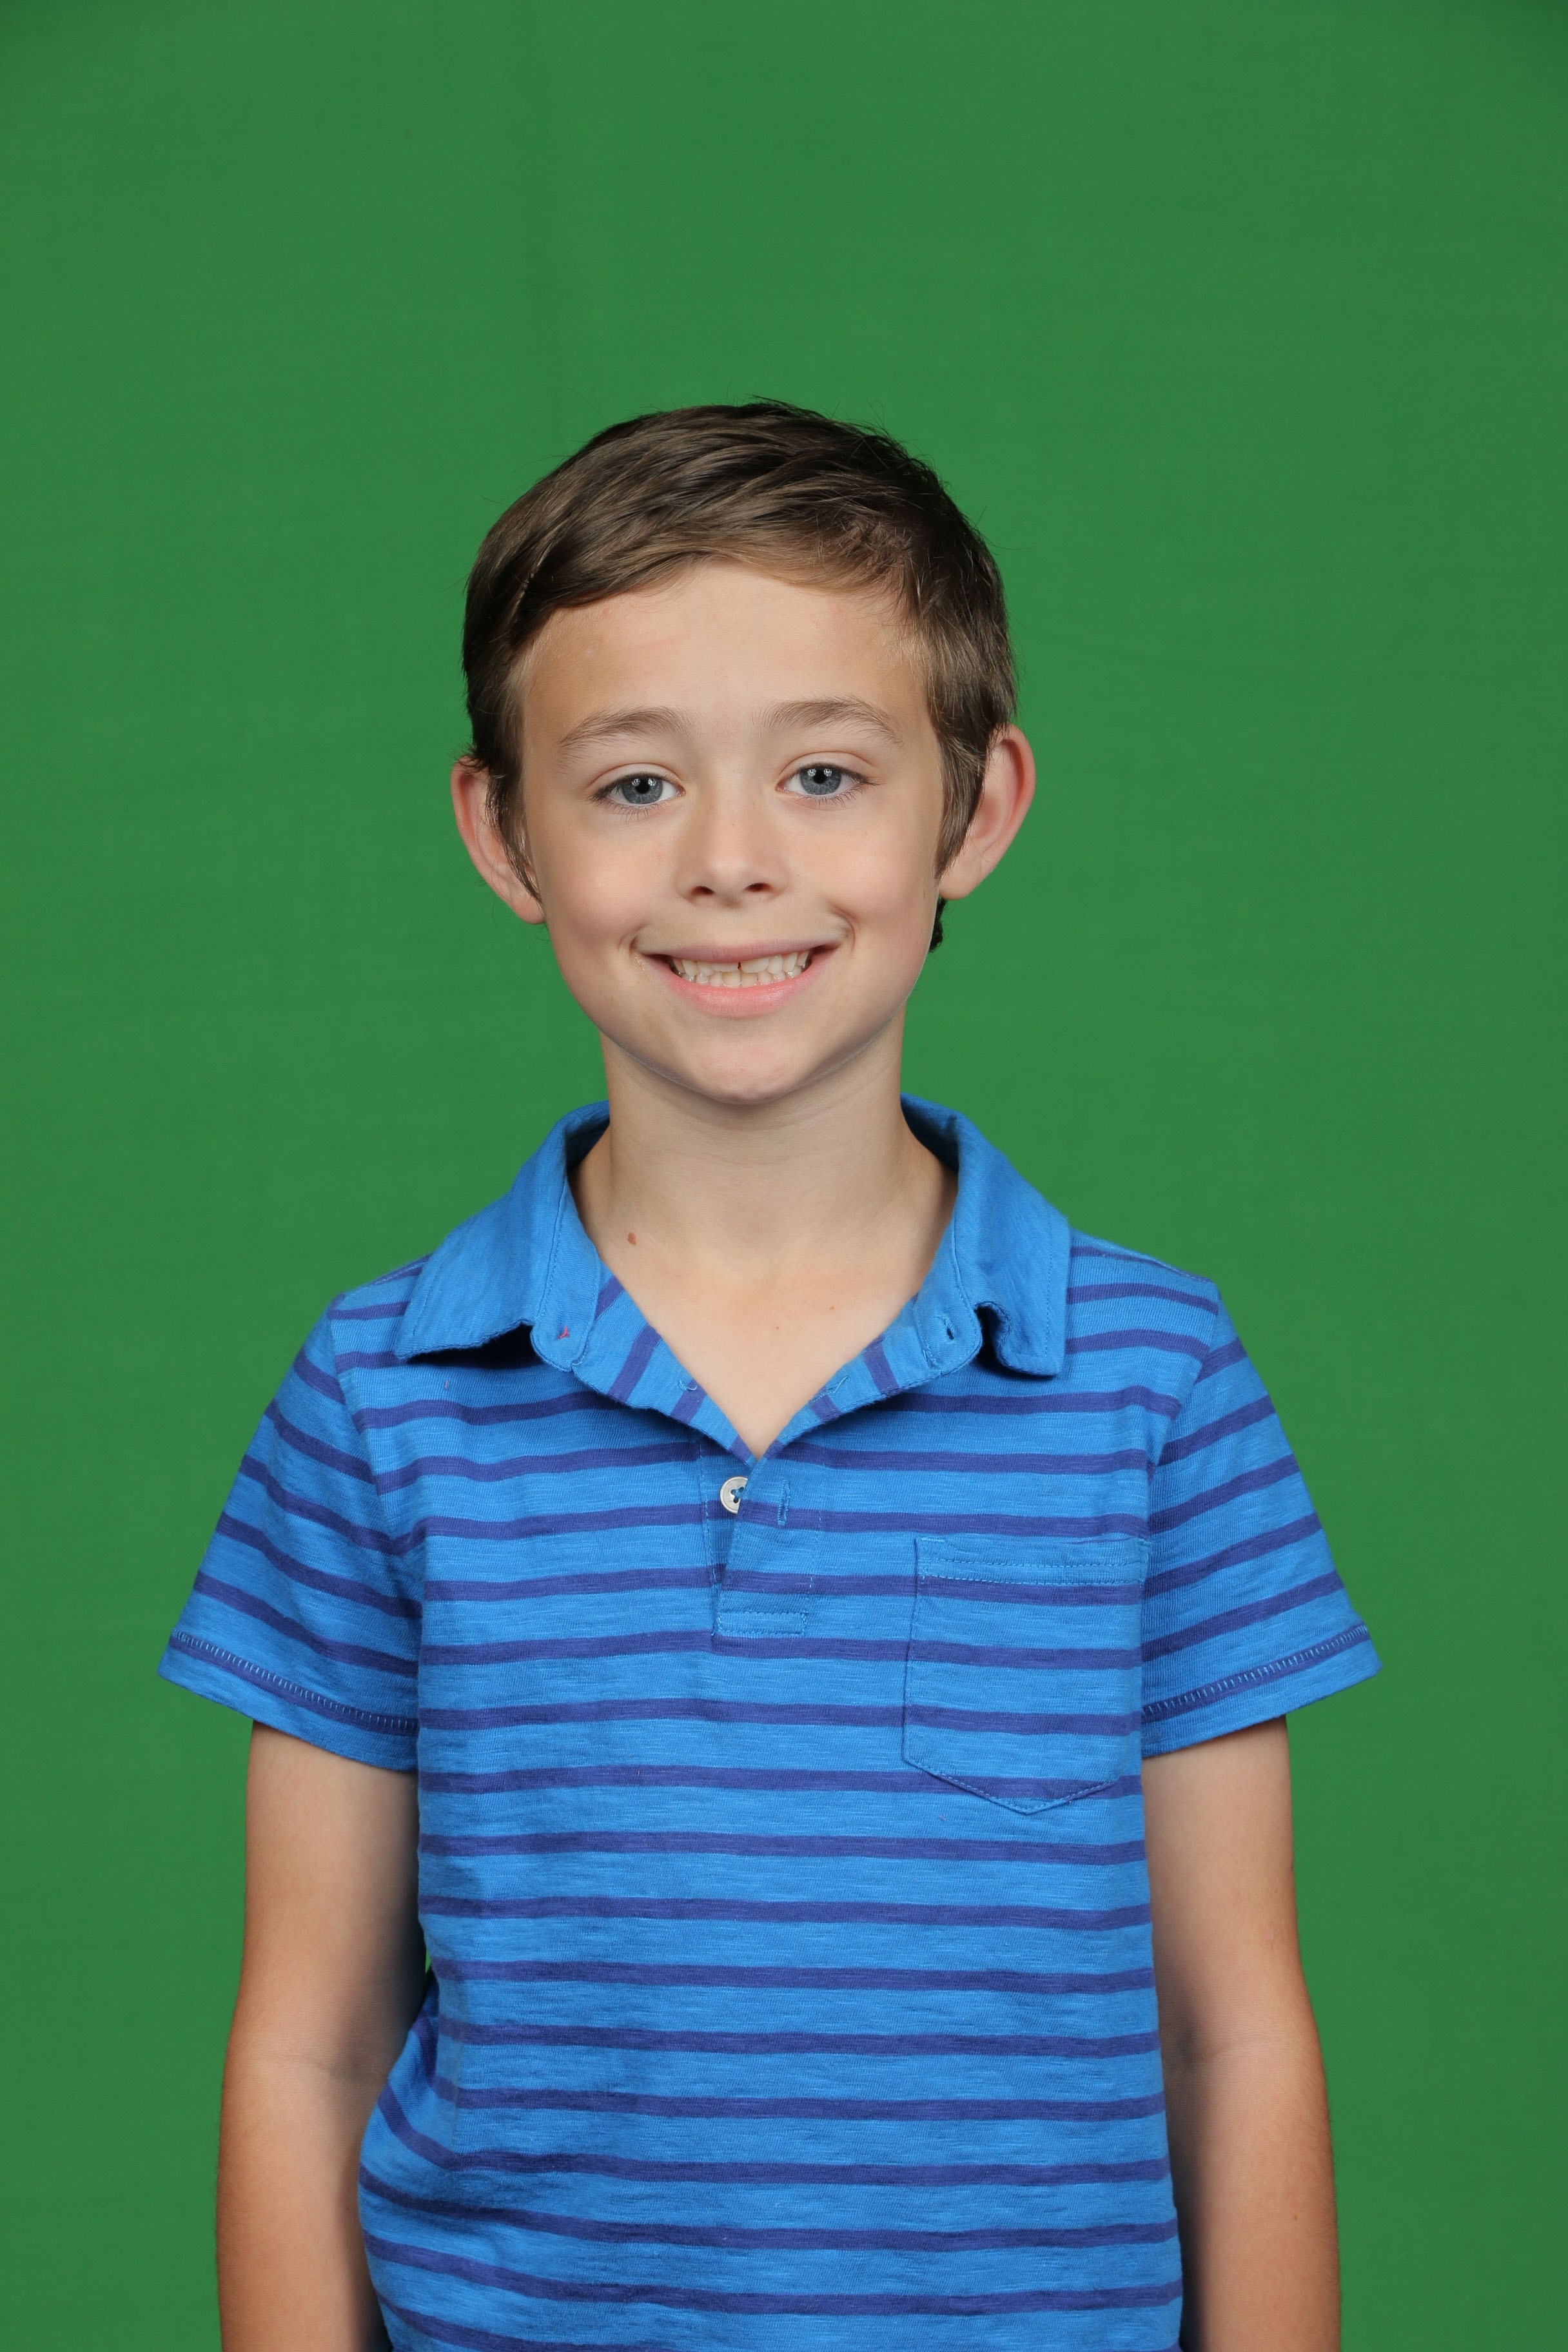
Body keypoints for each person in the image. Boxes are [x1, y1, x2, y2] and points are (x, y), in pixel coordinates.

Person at [161, 402, 1378, 2352]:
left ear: (975, 807)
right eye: (636, 784)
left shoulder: (1152, 1379)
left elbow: (1231, 2032)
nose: (732, 862)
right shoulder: (382, 1395)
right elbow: (307, 2044)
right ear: (505, 832)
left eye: (823, 773)